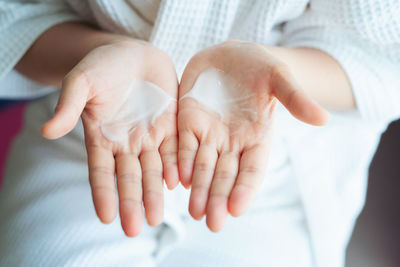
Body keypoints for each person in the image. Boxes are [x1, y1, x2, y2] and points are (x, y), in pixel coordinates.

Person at [0, 0, 399, 266]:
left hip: (269, 154)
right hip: (97, 131)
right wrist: (91, 53)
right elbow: (14, 14)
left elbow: (381, 52)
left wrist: (277, 70)